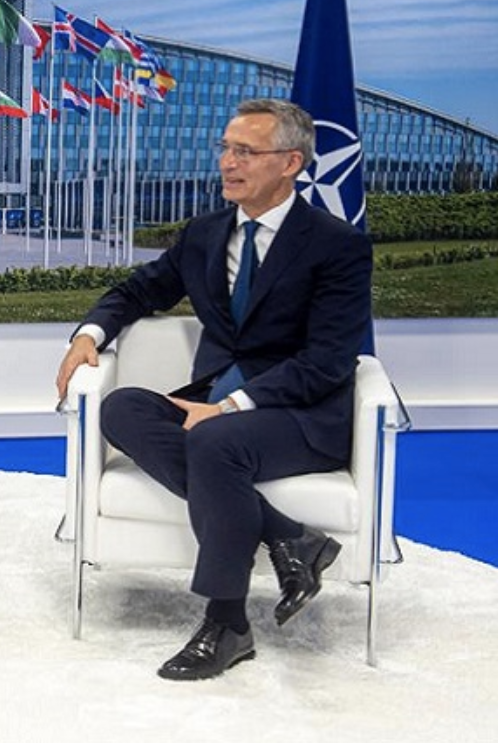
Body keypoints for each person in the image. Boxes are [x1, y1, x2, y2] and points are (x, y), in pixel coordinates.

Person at [54, 99, 372, 681]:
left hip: (300, 415)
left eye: (245, 152)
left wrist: (228, 407)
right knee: (122, 409)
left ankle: (227, 624)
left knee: (213, 441)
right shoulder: (204, 235)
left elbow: (327, 361)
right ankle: (290, 536)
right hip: (218, 400)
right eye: (225, 149)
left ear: (290, 163)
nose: (227, 162)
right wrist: (88, 335)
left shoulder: (337, 245)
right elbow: (137, 292)